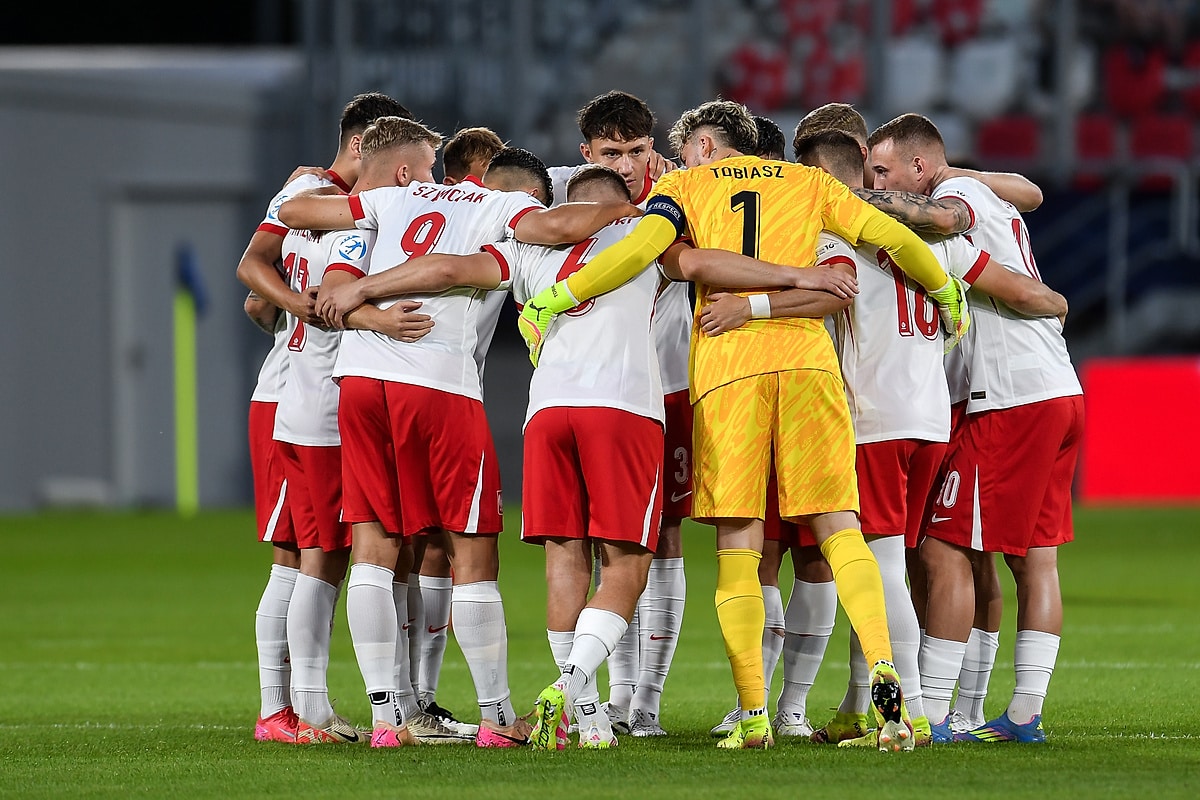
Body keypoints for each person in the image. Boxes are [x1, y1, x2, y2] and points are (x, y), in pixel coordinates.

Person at [314, 162, 857, 750]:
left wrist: (364, 289)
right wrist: (798, 274)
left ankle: (590, 717)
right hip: (623, 412)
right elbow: (704, 265)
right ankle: (570, 686)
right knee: (627, 567)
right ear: (620, 203)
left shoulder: (524, 249)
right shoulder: (646, 235)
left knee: (565, 560)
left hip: (547, 414)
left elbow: (447, 267)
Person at [518, 99, 970, 751]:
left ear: (703, 147)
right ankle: (885, 675)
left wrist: (559, 296)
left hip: (728, 371)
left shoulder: (685, 187)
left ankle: (754, 714)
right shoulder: (810, 183)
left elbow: (643, 249)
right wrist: (946, 292)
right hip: (808, 364)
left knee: (740, 543)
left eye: (683, 151)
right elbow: (896, 239)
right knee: (841, 528)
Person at [278, 133, 640, 748]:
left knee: (373, 547)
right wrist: (638, 208)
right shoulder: (502, 210)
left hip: (359, 379)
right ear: (526, 196)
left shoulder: (394, 198)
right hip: (437, 382)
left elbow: (300, 217)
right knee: (472, 553)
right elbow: (545, 231)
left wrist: (324, 198)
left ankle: (387, 720)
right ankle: (497, 718)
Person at [791, 100, 1045, 736]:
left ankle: (910, 713)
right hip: (932, 419)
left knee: (880, 570)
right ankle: (873, 706)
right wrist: (1051, 300)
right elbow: (1005, 263)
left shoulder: (838, 237)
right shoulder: (931, 240)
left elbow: (823, 301)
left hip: (875, 416)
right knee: (898, 565)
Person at [868, 113, 1082, 744]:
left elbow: (964, 239)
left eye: (883, 171)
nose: (877, 183)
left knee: (943, 549)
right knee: (1033, 558)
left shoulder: (955, 200)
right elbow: (1030, 192)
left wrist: (1051, 299)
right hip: (1058, 388)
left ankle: (933, 715)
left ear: (919, 167)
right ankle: (1023, 714)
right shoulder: (985, 190)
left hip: (1010, 398)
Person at [235, 90, 412, 744]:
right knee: (315, 558)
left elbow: (256, 299)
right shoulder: (334, 207)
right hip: (310, 399)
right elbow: (260, 278)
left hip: (290, 392)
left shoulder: (305, 193)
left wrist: (287, 309)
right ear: (366, 145)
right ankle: (296, 709)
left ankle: (288, 709)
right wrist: (320, 311)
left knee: (300, 556)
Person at [547, 90, 689, 738]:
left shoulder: (684, 191)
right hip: (605, 391)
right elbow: (488, 184)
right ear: (586, 153)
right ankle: (603, 697)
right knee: (600, 544)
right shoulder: (566, 190)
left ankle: (644, 704)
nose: (627, 165)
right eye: (611, 153)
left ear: (652, 146)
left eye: (636, 150)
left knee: (660, 537)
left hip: (673, 383)